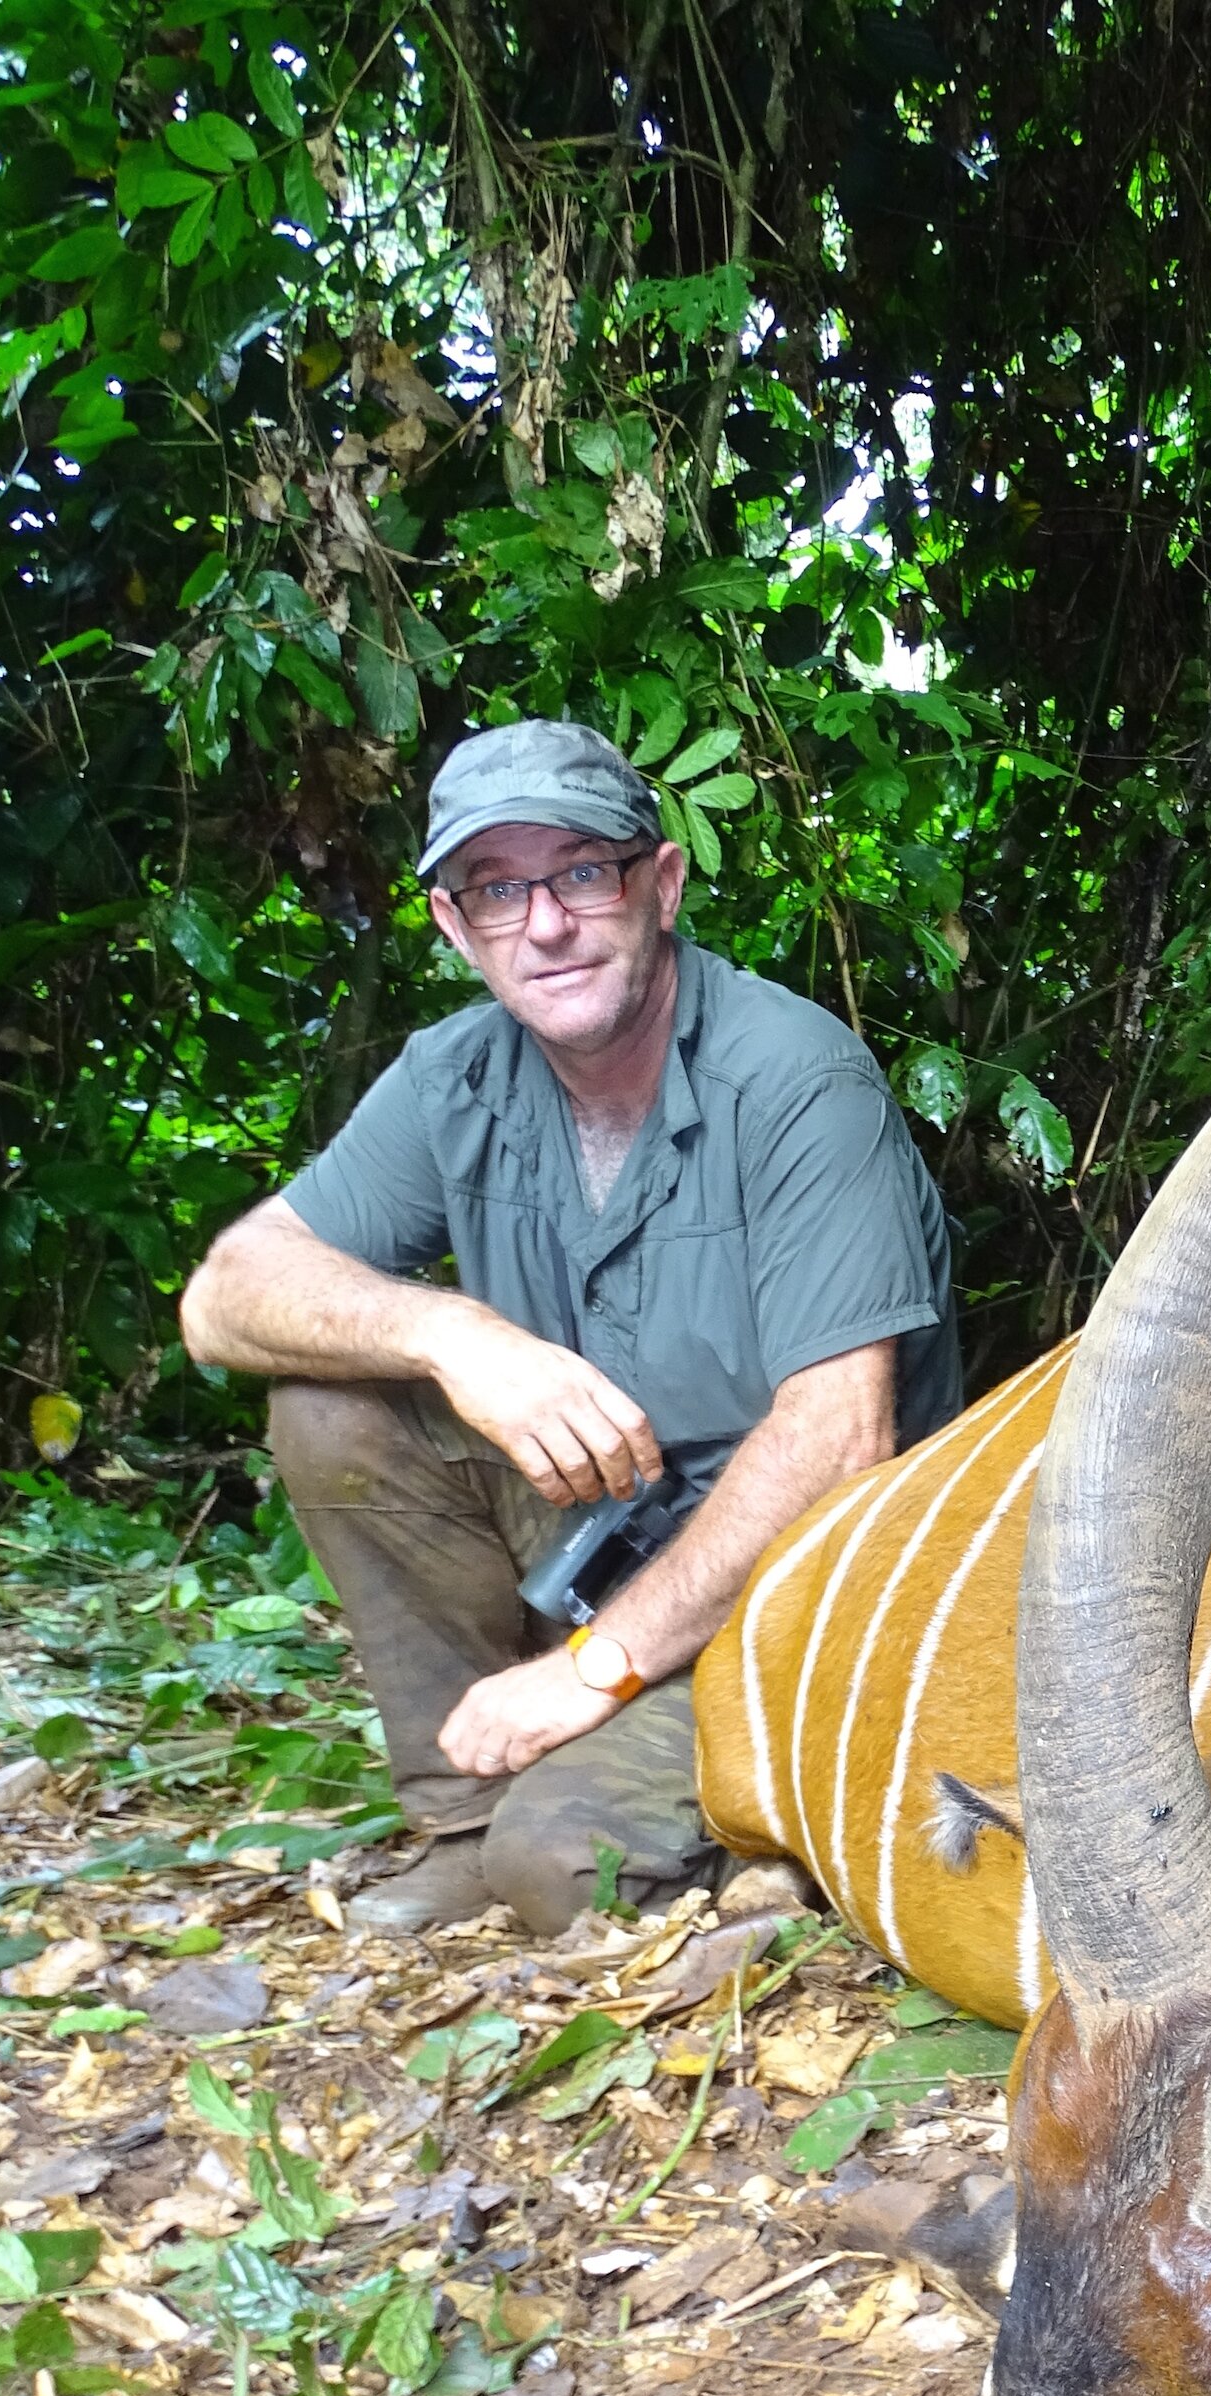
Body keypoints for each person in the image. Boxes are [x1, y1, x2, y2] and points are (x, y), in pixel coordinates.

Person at [180, 721, 960, 1936]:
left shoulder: (798, 1080)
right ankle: (460, 1819)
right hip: (608, 1536)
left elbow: (839, 1441)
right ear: (454, 927)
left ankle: (743, 1819)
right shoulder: (459, 1076)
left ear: (660, 883)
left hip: (808, 1596)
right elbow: (225, 1294)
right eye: (497, 889)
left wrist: (588, 1675)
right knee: (332, 1401)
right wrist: (455, 1336)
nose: (544, 924)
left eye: (581, 872)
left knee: (563, 1867)